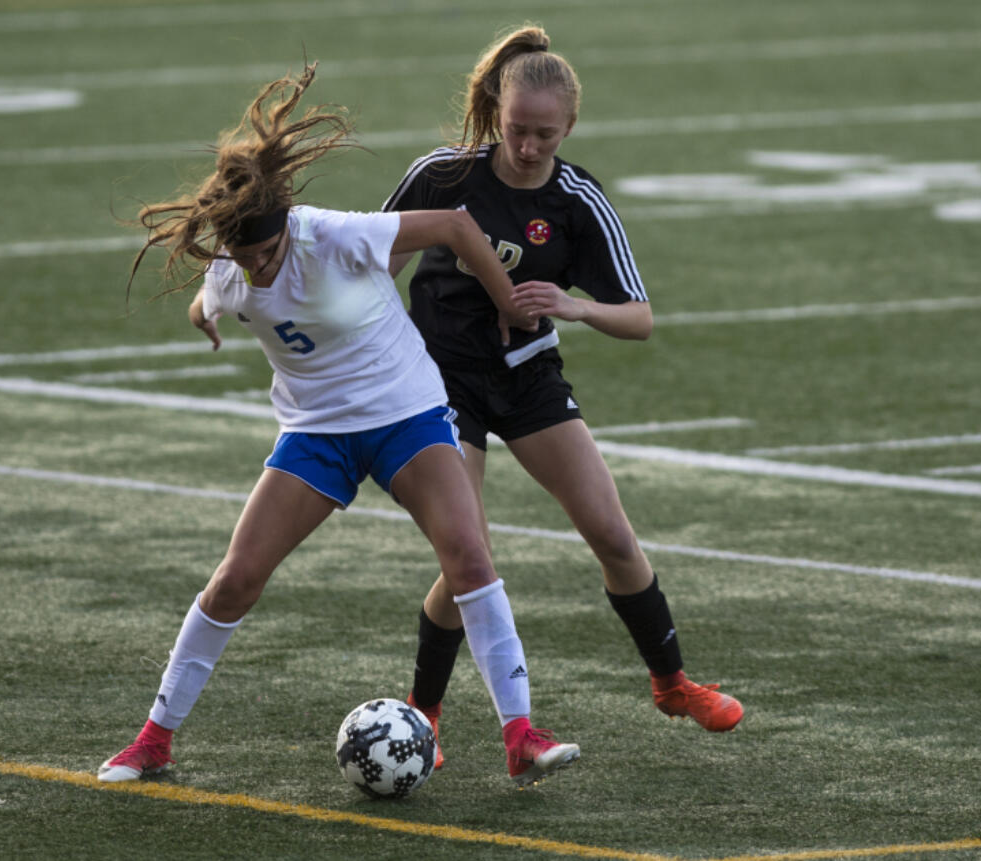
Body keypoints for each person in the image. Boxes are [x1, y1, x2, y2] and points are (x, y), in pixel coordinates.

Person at [97, 62, 578, 789]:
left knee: (470, 559)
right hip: (317, 431)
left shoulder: (333, 237)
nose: (257, 268)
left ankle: (520, 734)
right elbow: (212, 297)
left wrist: (509, 301)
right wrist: (206, 317)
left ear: (287, 227)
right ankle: (153, 740)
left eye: (266, 253)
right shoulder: (232, 267)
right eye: (244, 257)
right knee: (235, 580)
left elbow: (452, 223)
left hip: (405, 414)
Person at [382, 26, 743, 768]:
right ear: (496, 113)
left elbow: (639, 318)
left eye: (544, 134)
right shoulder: (443, 176)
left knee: (612, 534)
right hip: (442, 383)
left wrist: (579, 307)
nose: (526, 145)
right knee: (466, 550)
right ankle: (424, 713)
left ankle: (672, 683)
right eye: (516, 129)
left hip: (530, 378)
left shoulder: (577, 198)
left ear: (569, 126)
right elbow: (369, 261)